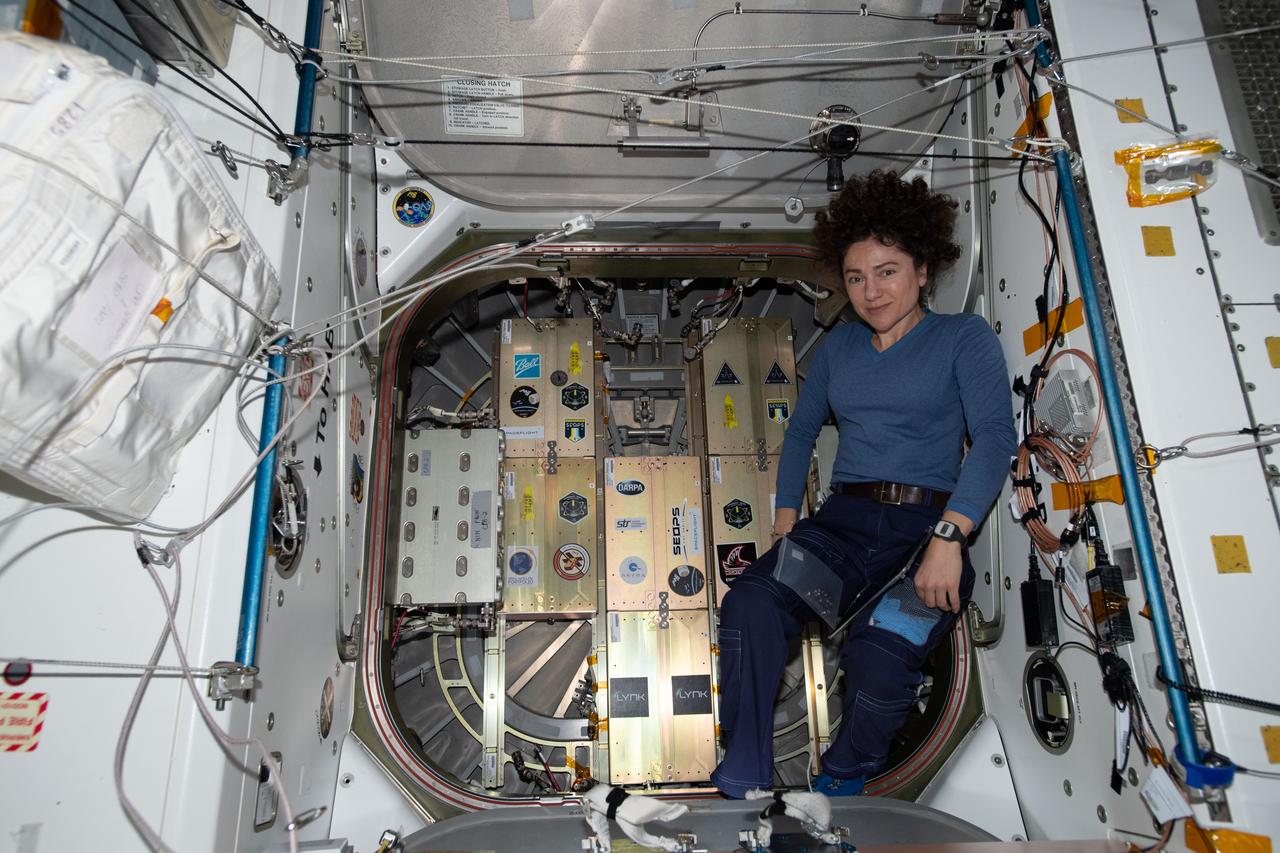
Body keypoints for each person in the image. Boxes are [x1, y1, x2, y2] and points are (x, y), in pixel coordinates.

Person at [710, 170, 1017, 799]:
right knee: (750, 602)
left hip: (923, 533)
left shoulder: (963, 339)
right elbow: (798, 434)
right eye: (855, 278)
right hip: (842, 527)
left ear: (923, 269)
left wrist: (949, 536)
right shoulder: (842, 348)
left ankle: (845, 774)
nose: (870, 292)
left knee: (879, 658)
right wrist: (787, 518)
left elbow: (994, 439)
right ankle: (744, 773)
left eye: (887, 271)